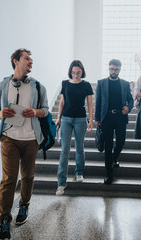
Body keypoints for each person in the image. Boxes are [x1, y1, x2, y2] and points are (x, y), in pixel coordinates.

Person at [0, 48, 48, 239]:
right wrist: (1, 114)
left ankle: (24, 206)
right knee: (8, 179)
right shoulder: (2, 85)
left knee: (28, 176)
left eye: (31, 59)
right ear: (16, 61)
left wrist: (35, 111)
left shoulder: (38, 86)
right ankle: (5, 220)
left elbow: (46, 111)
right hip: (9, 138)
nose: (31, 61)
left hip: (31, 139)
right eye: (27, 58)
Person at [55, 60, 94, 196]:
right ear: (70, 72)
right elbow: (62, 102)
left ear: (82, 72)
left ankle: (79, 172)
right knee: (64, 150)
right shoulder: (65, 84)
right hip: (65, 119)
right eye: (73, 72)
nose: (76, 75)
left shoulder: (86, 85)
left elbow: (90, 104)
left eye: (78, 72)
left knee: (79, 147)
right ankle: (61, 183)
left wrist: (91, 120)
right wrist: (59, 118)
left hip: (80, 119)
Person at [95, 59, 134, 184]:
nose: (113, 71)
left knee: (121, 142)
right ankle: (109, 174)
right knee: (108, 146)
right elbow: (98, 103)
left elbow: (130, 99)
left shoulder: (125, 84)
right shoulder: (101, 83)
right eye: (112, 69)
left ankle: (114, 158)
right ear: (109, 69)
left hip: (120, 117)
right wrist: (97, 119)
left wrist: (128, 108)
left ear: (119, 70)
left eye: (116, 69)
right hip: (106, 118)